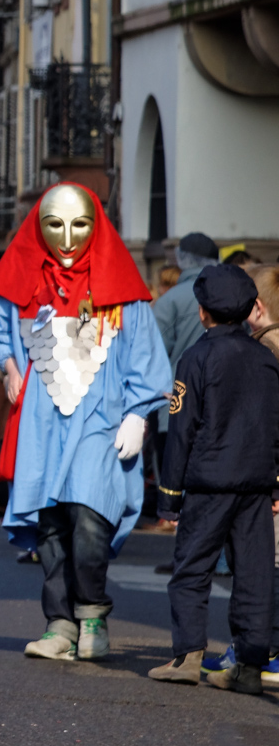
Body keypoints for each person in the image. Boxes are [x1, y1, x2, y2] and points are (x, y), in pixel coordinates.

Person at [0, 183, 169, 662]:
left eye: (79, 224)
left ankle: (93, 615)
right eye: (54, 225)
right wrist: (8, 365)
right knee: (51, 524)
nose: (66, 237)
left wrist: (137, 415)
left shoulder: (124, 295)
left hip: (101, 421)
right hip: (41, 424)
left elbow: (146, 359)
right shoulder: (24, 283)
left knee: (88, 517)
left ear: (96, 225)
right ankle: (59, 623)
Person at [147, 265, 279, 691]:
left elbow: (182, 428)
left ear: (203, 312)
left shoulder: (196, 357)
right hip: (257, 482)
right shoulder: (264, 357)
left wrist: (169, 495)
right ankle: (250, 666)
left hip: (209, 482)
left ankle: (188, 655)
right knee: (254, 575)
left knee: (192, 568)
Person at [152, 232, 218, 370]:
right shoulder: (234, 293)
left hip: (179, 386)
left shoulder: (170, 300)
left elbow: (153, 352)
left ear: (180, 258)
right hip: (225, 385)